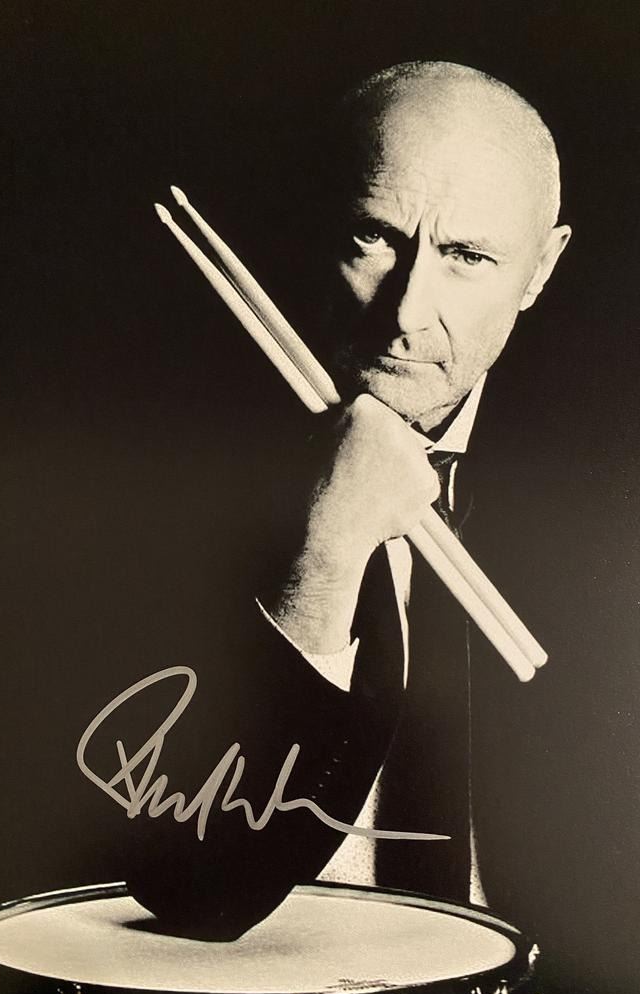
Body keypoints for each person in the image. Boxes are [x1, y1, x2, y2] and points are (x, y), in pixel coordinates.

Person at [120, 59, 571, 939]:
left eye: (466, 257)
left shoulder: (617, 486)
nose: (406, 311)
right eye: (374, 237)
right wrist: (325, 555)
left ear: (539, 269)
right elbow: (193, 891)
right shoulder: (143, 463)